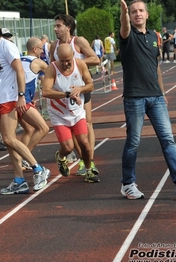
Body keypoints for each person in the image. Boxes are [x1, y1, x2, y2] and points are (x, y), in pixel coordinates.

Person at [119, 0, 176, 199]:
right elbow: (124, 26)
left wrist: (162, 93)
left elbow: (155, 67)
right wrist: (122, 13)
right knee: (133, 142)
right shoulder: (127, 36)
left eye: (140, 11)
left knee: (168, 139)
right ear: (129, 16)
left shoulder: (154, 36)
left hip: (155, 97)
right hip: (134, 98)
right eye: (133, 12)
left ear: (146, 14)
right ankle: (128, 184)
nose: (137, 14)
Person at [0, 15, 50, 195]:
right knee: (10, 141)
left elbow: (20, 70)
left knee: (9, 139)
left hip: (11, 97)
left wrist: (21, 95)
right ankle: (19, 180)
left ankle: (38, 168)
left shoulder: (7, 46)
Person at [49, 14, 100, 177]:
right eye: (55, 26)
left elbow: (95, 59)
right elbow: (51, 65)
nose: (55, 29)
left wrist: (76, 63)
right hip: (63, 93)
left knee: (86, 124)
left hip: (81, 87)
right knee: (70, 131)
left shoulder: (79, 41)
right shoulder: (53, 46)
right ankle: (81, 160)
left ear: (68, 27)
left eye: (59, 26)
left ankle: (89, 161)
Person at [42, 44, 98, 182]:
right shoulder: (52, 68)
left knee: (84, 142)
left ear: (73, 55)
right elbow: (46, 91)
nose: (66, 64)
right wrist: (66, 94)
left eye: (68, 60)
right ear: (57, 58)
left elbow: (91, 85)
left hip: (77, 111)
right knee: (68, 147)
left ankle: (89, 170)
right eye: (63, 61)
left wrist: (80, 89)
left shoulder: (80, 65)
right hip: (59, 114)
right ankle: (61, 157)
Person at [19, 37, 50, 168]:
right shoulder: (38, 62)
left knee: (28, 129)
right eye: (41, 49)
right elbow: (53, 73)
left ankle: (20, 159)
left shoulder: (19, 60)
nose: (42, 51)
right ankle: (27, 157)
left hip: (12, 100)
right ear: (35, 49)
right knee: (43, 128)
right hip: (23, 101)